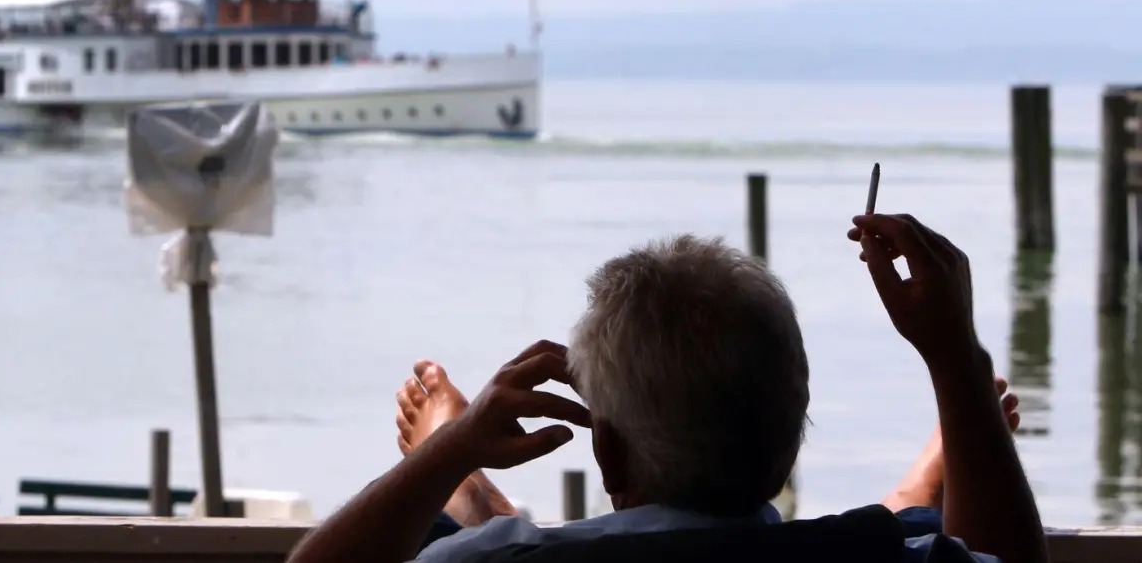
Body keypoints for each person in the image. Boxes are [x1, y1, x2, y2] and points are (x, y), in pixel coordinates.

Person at [285, 214, 1047, 563]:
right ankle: (923, 481)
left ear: (606, 454)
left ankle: (472, 494)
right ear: (789, 439)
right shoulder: (875, 558)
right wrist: (953, 362)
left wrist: (447, 450)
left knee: (440, 533)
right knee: (890, 527)